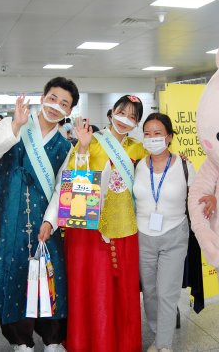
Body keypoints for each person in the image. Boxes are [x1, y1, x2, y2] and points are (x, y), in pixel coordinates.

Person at [0, 77, 80, 352]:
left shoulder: (65, 146)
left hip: (43, 226)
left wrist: (50, 221)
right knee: (14, 275)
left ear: (69, 112)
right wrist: (14, 125)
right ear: (43, 96)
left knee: (49, 277)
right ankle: (19, 340)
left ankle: (52, 338)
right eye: (53, 98)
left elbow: (62, 189)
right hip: (9, 218)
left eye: (64, 104)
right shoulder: (16, 125)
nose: (56, 106)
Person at [44, 94, 146, 352]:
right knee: (93, 289)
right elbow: (70, 183)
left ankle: (123, 343)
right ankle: (91, 341)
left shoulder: (138, 149)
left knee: (123, 291)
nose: (125, 120)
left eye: (132, 117)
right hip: (89, 229)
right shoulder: (91, 141)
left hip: (125, 228)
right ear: (112, 113)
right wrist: (82, 148)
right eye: (122, 113)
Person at [133, 113, 215, 352]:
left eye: (157, 133)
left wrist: (211, 198)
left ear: (169, 137)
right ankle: (159, 334)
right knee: (149, 292)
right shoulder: (138, 165)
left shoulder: (184, 165)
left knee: (166, 293)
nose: (151, 138)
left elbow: (198, 197)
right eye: (147, 133)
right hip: (142, 236)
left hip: (174, 235)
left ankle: (164, 345)